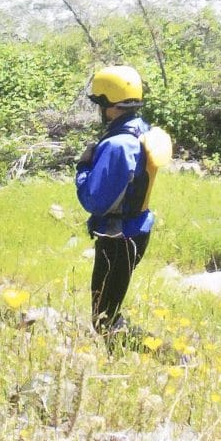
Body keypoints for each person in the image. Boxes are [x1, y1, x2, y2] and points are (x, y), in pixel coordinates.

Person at [75, 66, 171, 346]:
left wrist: (83, 166)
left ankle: (168, 355)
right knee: (109, 310)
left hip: (116, 237)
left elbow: (94, 200)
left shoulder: (117, 144)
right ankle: (123, 357)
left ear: (108, 105)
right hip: (136, 230)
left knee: (103, 317)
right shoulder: (143, 130)